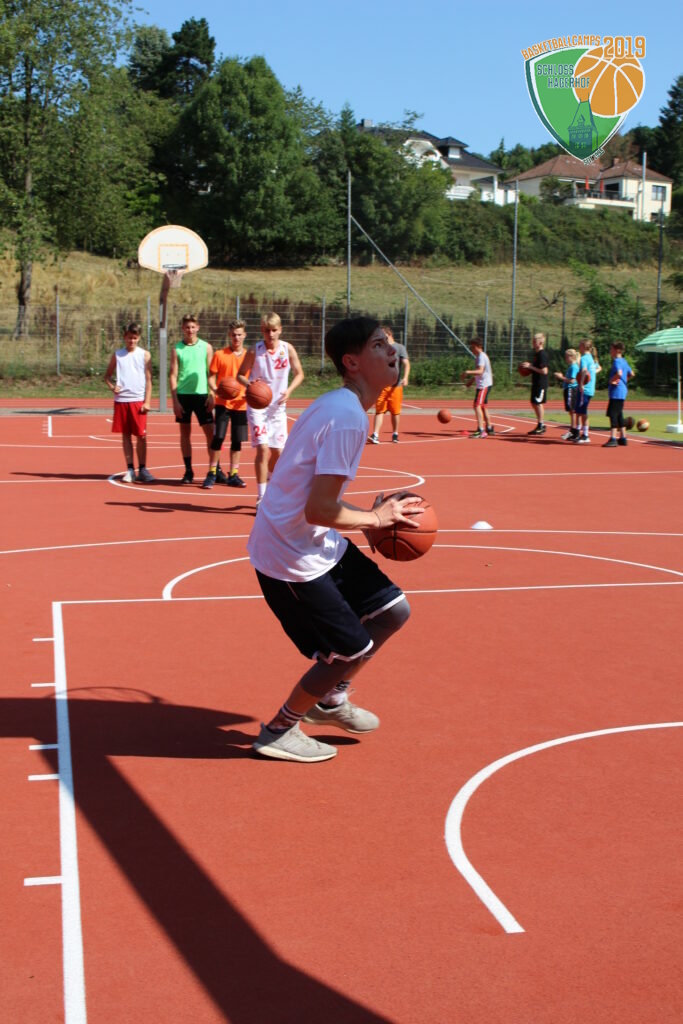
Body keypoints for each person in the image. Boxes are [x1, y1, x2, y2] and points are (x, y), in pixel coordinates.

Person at [248, 317, 422, 763]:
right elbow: (319, 509)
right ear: (352, 361)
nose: (393, 351)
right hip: (289, 554)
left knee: (392, 611)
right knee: (349, 650)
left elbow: (311, 494)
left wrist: (366, 516)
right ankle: (279, 730)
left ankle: (328, 699)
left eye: (390, 343)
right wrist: (375, 518)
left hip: (309, 537)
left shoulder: (339, 404)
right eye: (379, 345)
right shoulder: (347, 418)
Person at [238, 312, 304, 504]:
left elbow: (299, 373)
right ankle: (262, 496)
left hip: (278, 408)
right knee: (263, 448)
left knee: (278, 453)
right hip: (258, 407)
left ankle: (269, 478)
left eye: (274, 330)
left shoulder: (287, 349)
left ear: (280, 330)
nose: (271, 334)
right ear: (262, 330)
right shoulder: (255, 350)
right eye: (267, 330)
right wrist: (250, 385)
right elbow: (240, 375)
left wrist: (289, 390)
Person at [104, 322, 155, 482]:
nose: (131, 341)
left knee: (141, 436)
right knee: (126, 435)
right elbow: (107, 376)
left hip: (138, 401)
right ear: (124, 337)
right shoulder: (118, 355)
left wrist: (147, 401)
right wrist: (112, 387)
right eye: (129, 338)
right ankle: (130, 469)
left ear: (138, 338)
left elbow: (149, 380)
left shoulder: (144, 355)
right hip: (122, 401)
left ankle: (143, 469)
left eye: (134, 338)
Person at [204, 319, 250, 489]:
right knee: (218, 438)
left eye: (239, 334)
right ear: (229, 335)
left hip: (241, 404)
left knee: (237, 440)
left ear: (244, 335)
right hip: (222, 403)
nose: (236, 338)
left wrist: (251, 392)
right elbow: (211, 377)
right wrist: (215, 390)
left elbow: (253, 378)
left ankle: (234, 474)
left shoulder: (249, 356)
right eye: (233, 335)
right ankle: (212, 473)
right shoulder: (220, 354)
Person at [169, 313, 214, 483]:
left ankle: (214, 469)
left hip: (202, 395)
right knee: (185, 434)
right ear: (183, 328)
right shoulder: (177, 349)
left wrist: (212, 394)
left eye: (193, 327)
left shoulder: (206, 347)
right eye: (187, 327)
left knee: (210, 433)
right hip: (183, 396)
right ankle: (188, 471)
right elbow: (173, 375)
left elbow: (211, 373)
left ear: (198, 327)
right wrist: (175, 401)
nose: (190, 330)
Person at [368, 323, 410, 443]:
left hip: (395, 386)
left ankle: (395, 434)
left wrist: (406, 377)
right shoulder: (380, 348)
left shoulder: (399, 347)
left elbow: (406, 363)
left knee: (395, 412)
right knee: (379, 410)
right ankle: (375, 435)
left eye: (382, 335)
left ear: (389, 334)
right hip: (382, 385)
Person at [461, 336, 494, 437]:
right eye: (471, 347)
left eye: (473, 347)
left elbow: (480, 371)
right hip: (485, 384)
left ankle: (481, 430)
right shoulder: (480, 356)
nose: (471, 349)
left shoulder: (481, 356)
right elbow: (479, 373)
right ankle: (489, 427)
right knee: (483, 406)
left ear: (479, 346)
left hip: (484, 385)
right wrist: (471, 381)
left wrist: (467, 372)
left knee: (477, 405)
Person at [604, 341, 635, 447]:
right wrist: (624, 381)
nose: (610, 351)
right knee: (619, 414)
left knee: (613, 414)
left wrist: (612, 380)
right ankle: (623, 437)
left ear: (617, 350)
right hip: (622, 391)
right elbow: (632, 374)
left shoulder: (617, 361)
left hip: (616, 392)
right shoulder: (624, 361)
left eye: (611, 349)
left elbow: (619, 373)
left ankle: (613, 438)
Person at [522, 332, 549, 435]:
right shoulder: (537, 354)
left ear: (540, 342)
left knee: (538, 403)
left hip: (541, 383)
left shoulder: (542, 354)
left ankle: (541, 425)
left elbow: (545, 371)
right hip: (536, 382)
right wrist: (529, 367)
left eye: (535, 341)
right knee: (534, 403)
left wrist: (530, 367)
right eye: (533, 341)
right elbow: (536, 367)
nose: (533, 343)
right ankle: (540, 424)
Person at [573, 338, 597, 444]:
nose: (579, 347)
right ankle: (578, 433)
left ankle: (585, 435)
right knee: (579, 411)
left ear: (584, 347)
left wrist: (581, 384)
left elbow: (583, 371)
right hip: (590, 388)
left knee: (582, 412)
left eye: (580, 345)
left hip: (585, 389)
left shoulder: (584, 358)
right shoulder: (591, 358)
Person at [554, 348, 580, 441]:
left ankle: (574, 431)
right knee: (571, 411)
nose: (565, 359)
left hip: (571, 389)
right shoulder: (571, 367)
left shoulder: (574, 367)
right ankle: (572, 430)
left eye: (566, 357)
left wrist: (561, 377)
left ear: (572, 357)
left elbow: (572, 381)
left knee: (572, 411)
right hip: (569, 389)